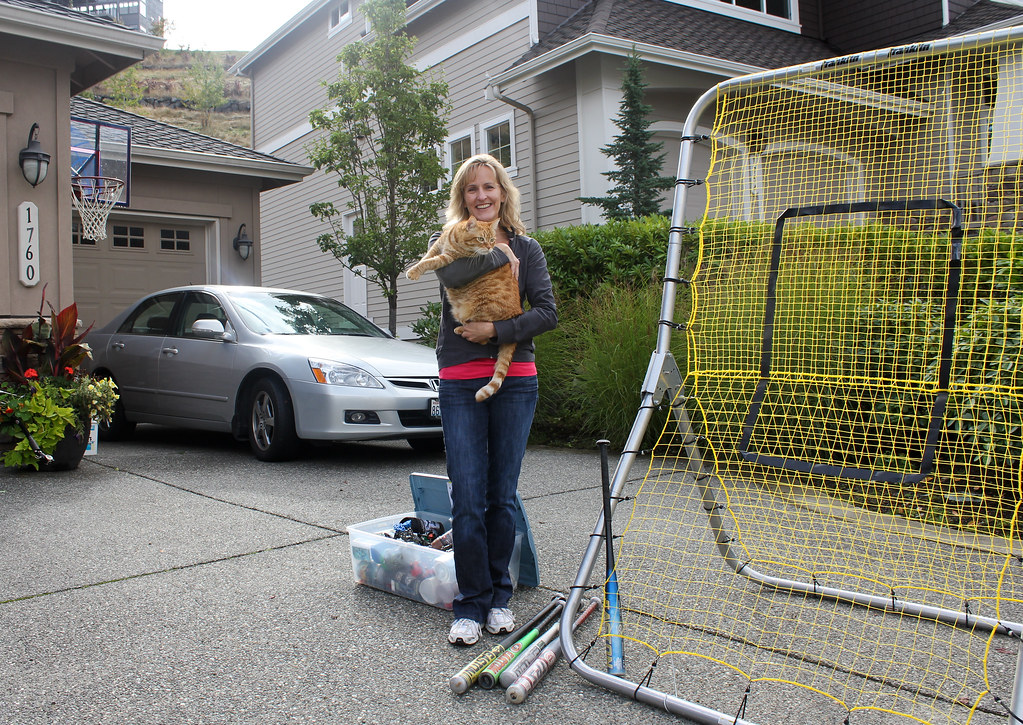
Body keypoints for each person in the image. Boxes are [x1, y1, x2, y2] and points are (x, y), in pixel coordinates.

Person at [426, 154, 558, 646]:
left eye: (490, 187)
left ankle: (499, 596)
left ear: (503, 192)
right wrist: (499, 259)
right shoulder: (450, 244)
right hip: (461, 380)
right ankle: (470, 603)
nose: (482, 196)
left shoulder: (529, 248)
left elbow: (546, 312)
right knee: (467, 494)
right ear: (463, 198)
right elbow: (454, 278)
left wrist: (498, 330)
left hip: (516, 378)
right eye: (472, 190)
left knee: (501, 496)